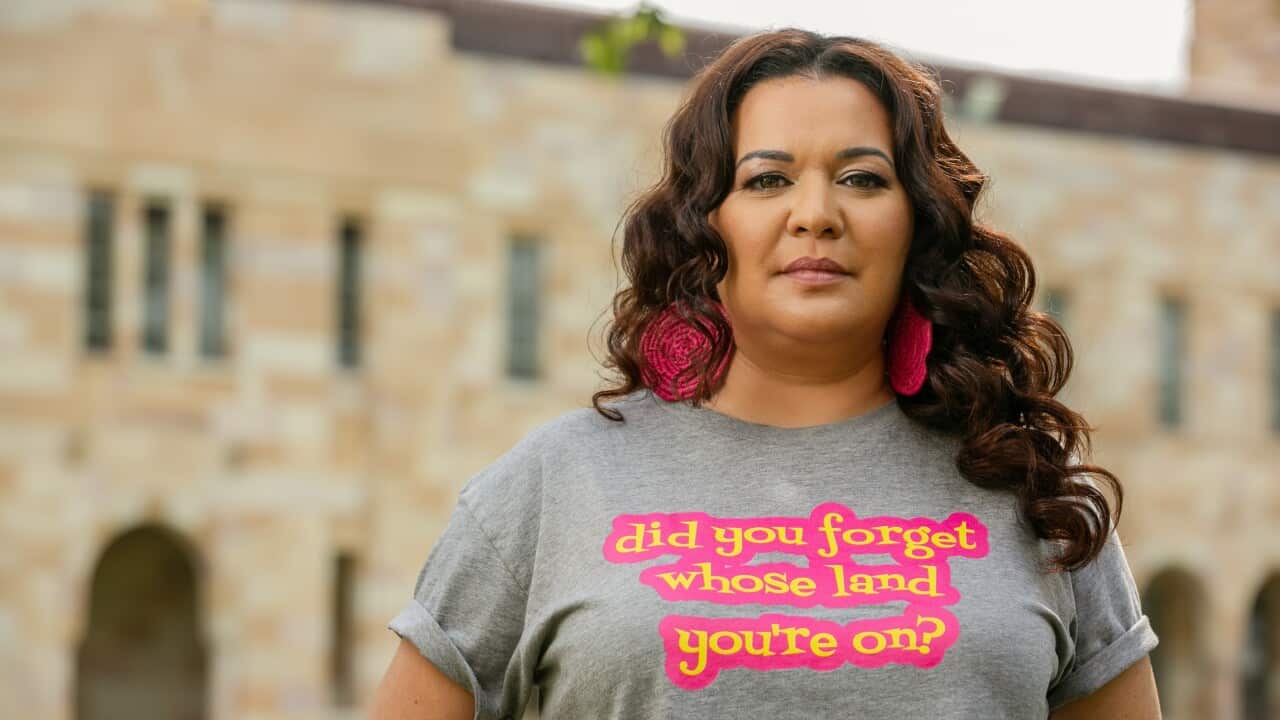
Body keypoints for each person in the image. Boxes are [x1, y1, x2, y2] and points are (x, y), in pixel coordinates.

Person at [369, 28, 1161, 720]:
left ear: (918, 221)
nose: (815, 213)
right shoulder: (552, 485)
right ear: (703, 223)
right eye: (766, 179)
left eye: (862, 178)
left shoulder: (1032, 492)